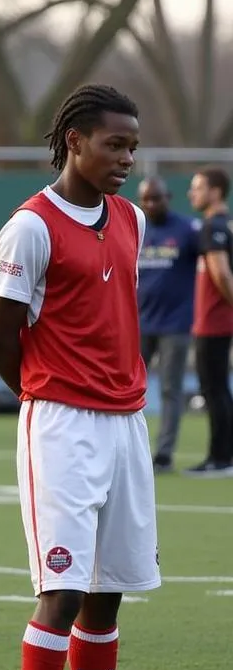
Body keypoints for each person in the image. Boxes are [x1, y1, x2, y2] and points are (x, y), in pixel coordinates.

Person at [0, 83, 182, 670]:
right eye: (114, 144)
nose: (127, 158)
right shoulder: (30, 227)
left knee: (109, 593)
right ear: (74, 140)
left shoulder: (128, 217)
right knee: (61, 590)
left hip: (127, 422)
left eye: (133, 145)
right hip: (61, 424)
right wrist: (47, 395)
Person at [136, 177, 198, 472]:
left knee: (171, 389)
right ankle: (129, 452)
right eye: (145, 199)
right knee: (126, 388)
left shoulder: (187, 230)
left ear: (168, 197)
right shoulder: (136, 229)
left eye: (156, 198)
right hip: (139, 323)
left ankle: (163, 454)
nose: (151, 204)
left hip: (175, 324)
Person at [186, 167, 233, 476]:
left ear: (215, 192)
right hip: (216, 321)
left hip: (214, 322)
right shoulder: (224, 224)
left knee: (214, 390)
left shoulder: (213, 226)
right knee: (219, 390)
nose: (193, 194)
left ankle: (220, 458)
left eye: (199, 188)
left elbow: (221, 274)